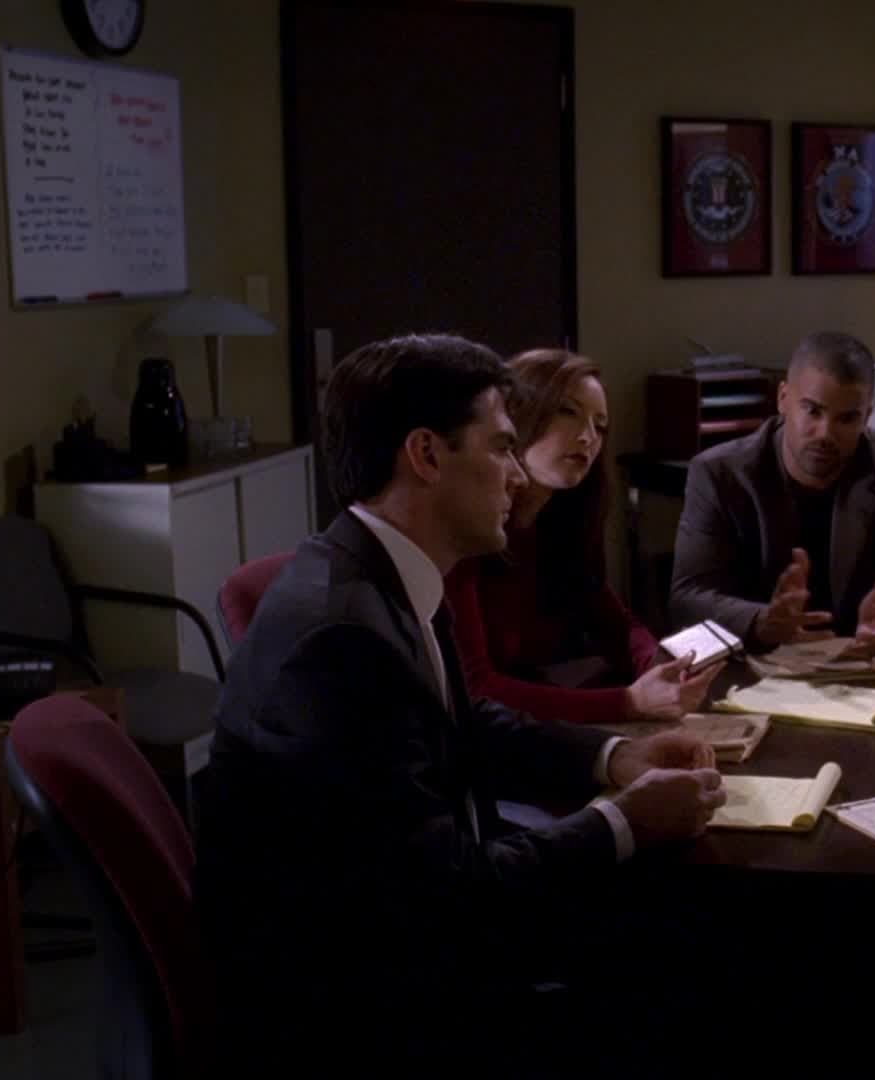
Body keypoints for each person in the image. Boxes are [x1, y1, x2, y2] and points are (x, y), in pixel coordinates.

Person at [193, 333, 725, 1075]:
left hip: (396, 936)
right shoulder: (344, 638)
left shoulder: (378, 569)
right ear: (426, 455)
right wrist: (624, 821)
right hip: (360, 1004)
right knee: (693, 969)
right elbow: (446, 894)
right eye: (502, 447)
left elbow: (465, 721)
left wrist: (615, 756)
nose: (517, 474)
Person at [445, 348, 719, 724]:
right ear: (517, 415)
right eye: (568, 412)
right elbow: (475, 688)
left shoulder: (564, 522)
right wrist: (627, 702)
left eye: (600, 426)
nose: (588, 437)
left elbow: (615, 623)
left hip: (538, 718)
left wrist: (660, 664)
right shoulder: (468, 532)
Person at [670, 330, 875, 656]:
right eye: (812, 411)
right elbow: (688, 596)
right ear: (783, 399)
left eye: (847, 418)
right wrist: (761, 622)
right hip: (758, 663)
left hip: (863, 660)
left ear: (867, 417)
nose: (825, 433)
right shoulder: (719, 474)